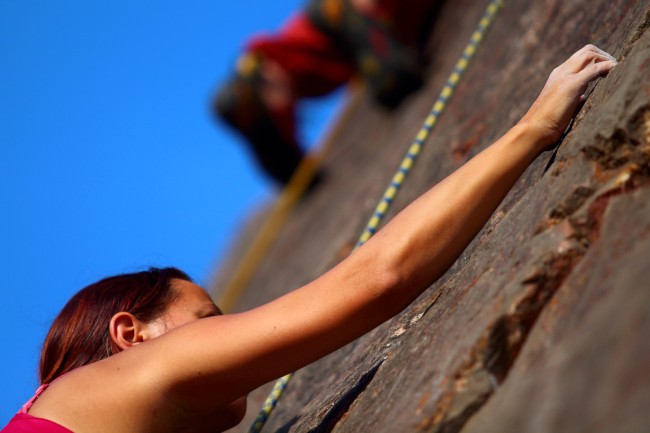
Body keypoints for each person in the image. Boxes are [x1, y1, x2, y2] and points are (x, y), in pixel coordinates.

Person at [1, 45, 617, 433]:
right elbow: (378, 278)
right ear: (131, 335)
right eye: (210, 319)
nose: (233, 335)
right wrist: (533, 128)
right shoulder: (119, 381)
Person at [213, 0, 438, 185]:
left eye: (262, 82)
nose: (273, 98)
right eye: (263, 108)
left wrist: (378, 56)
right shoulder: (282, 94)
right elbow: (282, 159)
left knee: (391, 77)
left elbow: (336, 9)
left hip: (385, 16)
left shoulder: (292, 47)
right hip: (398, 22)